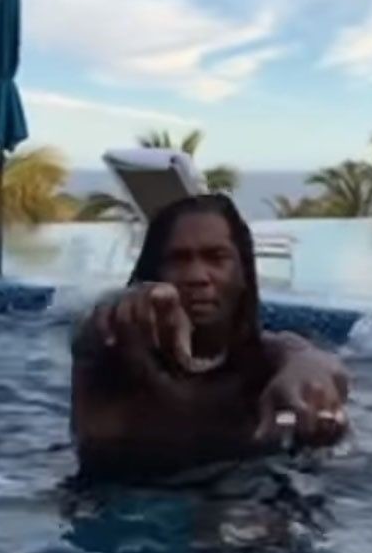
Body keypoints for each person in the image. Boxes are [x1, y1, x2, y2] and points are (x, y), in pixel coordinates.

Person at [71, 194, 349, 482]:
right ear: (154, 272)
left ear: (243, 273)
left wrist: (313, 386)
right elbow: (89, 336)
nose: (197, 276)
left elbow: (317, 363)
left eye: (216, 258)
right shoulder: (116, 357)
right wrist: (121, 304)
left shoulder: (269, 365)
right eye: (178, 259)